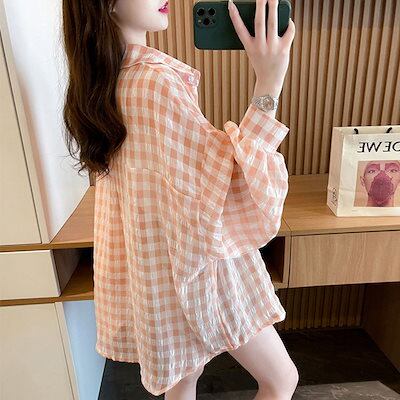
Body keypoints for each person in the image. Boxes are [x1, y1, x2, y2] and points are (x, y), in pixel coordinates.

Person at [62, 0, 297, 398]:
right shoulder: (154, 81)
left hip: (151, 263)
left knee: (184, 379)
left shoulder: (101, 83)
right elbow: (226, 180)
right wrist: (268, 84)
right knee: (280, 379)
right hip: (198, 262)